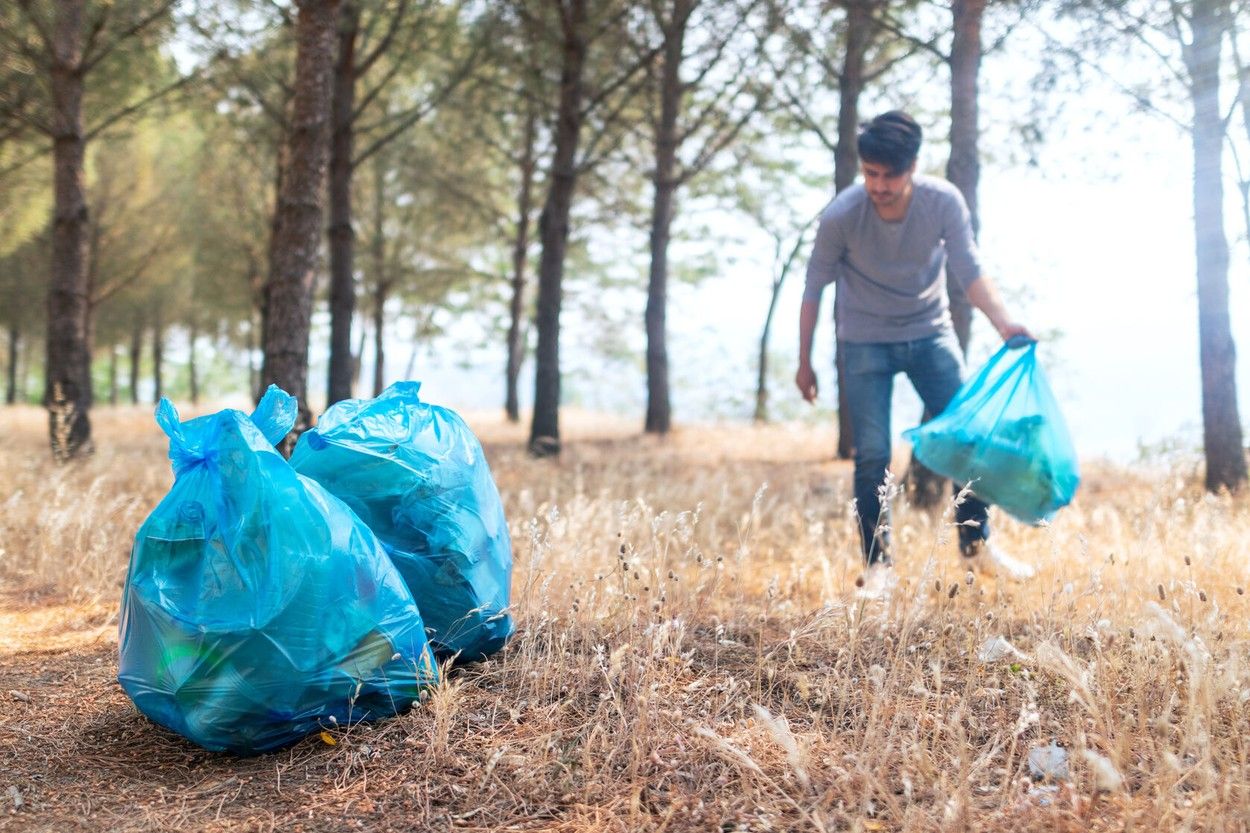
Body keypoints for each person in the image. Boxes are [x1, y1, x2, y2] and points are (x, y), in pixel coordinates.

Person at [796, 110, 1036, 589]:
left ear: (913, 167)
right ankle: (878, 566)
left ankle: (975, 547)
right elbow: (813, 288)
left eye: (890, 175)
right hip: (864, 340)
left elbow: (970, 271)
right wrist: (803, 361)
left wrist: (1005, 323)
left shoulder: (942, 202)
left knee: (967, 437)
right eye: (870, 174)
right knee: (872, 456)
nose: (878, 185)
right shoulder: (843, 215)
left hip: (930, 333)